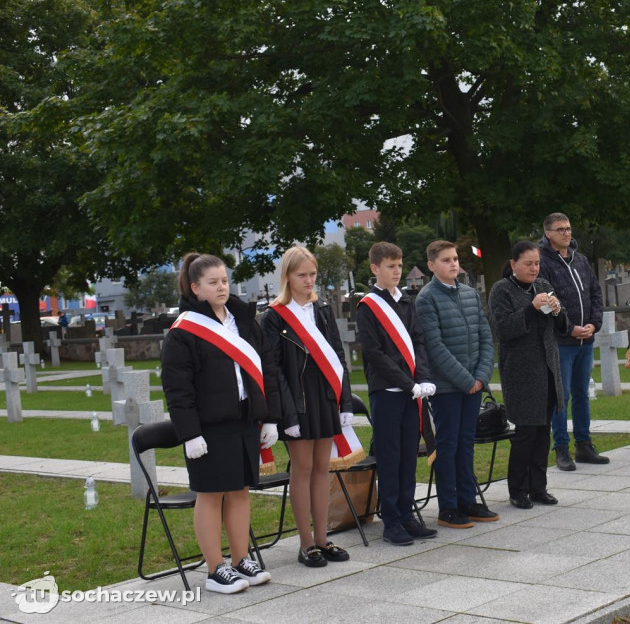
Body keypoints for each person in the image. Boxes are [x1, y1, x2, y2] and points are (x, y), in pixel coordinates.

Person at [161, 253, 281, 594]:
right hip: (208, 428)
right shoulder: (184, 331)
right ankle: (216, 568)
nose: (222, 287)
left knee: (240, 492)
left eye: (225, 280)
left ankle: (242, 558)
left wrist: (270, 416)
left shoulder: (242, 320)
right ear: (196, 288)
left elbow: (265, 370)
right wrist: (190, 433)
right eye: (213, 282)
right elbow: (177, 387)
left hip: (244, 419)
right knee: (211, 496)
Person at [261, 246, 354, 567]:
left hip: (325, 397)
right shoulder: (273, 317)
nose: (309, 280)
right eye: (302, 275)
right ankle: (305, 544)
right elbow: (271, 370)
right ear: (287, 276)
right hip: (296, 405)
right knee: (300, 471)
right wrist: (285, 415)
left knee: (322, 469)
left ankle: (323, 539)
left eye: (312, 274)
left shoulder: (323, 310)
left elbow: (338, 358)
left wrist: (345, 401)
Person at [356, 241, 438, 546]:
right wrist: (408, 384)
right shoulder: (368, 306)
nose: (397, 271)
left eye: (400, 265)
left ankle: (406, 514)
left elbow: (419, 341)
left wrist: (424, 378)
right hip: (388, 392)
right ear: (375, 268)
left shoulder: (406, 301)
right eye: (391, 266)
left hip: (412, 392)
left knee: (407, 456)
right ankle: (391, 521)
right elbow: (375, 353)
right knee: (390, 458)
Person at [415, 240, 498, 529]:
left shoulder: (469, 294)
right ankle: (448, 507)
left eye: (455, 259)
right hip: (448, 387)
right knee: (448, 445)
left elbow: (486, 336)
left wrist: (481, 376)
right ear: (431, 265)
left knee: (466, 444)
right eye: (446, 260)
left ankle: (467, 500)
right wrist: (465, 380)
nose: (453, 264)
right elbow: (435, 347)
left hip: (473, 384)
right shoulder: (426, 299)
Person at [488, 241, 569, 509]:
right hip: (521, 372)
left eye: (537, 263)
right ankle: (517, 490)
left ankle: (539, 488)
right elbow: (504, 330)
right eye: (528, 264)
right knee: (525, 434)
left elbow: (562, 326)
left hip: (547, 369)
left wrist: (557, 311)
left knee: (543, 431)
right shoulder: (501, 290)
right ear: (513, 265)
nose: (534, 268)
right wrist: (530, 307)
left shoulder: (544, 286)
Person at [538, 212, 609, 471]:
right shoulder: (543, 262)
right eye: (560, 230)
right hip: (562, 342)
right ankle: (561, 448)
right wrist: (569, 328)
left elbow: (595, 292)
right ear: (548, 233)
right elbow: (547, 298)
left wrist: (593, 324)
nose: (566, 233)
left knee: (582, 394)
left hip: (585, 341)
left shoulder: (580, 260)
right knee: (561, 396)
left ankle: (584, 445)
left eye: (568, 228)